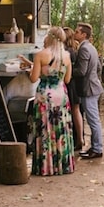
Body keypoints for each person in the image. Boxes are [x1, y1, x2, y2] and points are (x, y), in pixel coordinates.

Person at [29, 26, 75, 175]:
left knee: (45, 129)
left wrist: (32, 69)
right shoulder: (66, 56)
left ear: (49, 37)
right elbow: (67, 79)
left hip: (45, 96)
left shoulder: (40, 55)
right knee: (61, 129)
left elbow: (33, 78)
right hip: (61, 95)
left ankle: (45, 166)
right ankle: (62, 164)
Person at [74, 22, 104, 159]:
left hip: (89, 89)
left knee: (93, 120)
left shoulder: (84, 49)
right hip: (93, 86)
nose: (75, 33)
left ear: (84, 35)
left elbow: (81, 71)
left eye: (77, 32)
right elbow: (98, 68)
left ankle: (97, 149)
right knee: (93, 119)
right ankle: (94, 147)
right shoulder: (91, 47)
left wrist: (66, 70)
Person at [63, 26, 83, 152]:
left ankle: (77, 138)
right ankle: (79, 138)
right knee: (76, 110)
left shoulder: (67, 52)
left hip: (70, 84)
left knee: (73, 111)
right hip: (75, 85)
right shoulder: (74, 50)